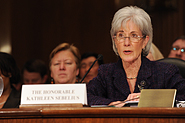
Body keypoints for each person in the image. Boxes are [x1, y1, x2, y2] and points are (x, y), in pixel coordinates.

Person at [87, 6, 185, 107]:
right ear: (115, 41)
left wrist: (150, 99)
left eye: (134, 36)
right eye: (121, 35)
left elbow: (183, 97)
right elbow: (86, 96)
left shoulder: (165, 72)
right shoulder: (106, 73)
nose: (126, 43)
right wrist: (113, 105)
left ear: (145, 41)